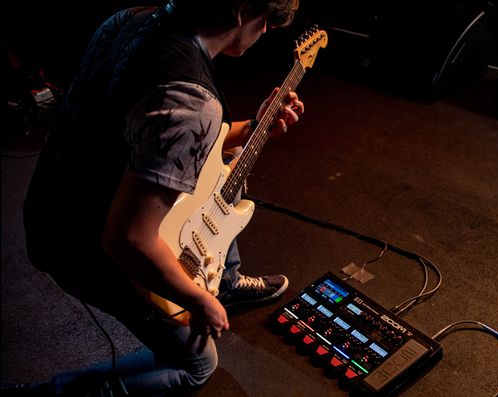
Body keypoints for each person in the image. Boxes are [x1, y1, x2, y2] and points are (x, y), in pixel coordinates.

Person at [19, 0, 303, 395]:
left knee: (218, 182)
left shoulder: (129, 20)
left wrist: (256, 126)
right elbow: (128, 240)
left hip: (51, 206)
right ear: (240, 11)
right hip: (86, 250)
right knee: (198, 365)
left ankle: (225, 279)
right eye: (267, 19)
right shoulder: (191, 102)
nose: (267, 31)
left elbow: (170, 138)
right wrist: (197, 300)